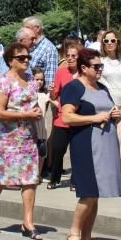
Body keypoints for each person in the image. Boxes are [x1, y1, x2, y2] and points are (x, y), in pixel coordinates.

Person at [61, 48, 121, 240]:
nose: (99, 70)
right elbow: (68, 117)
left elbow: (107, 111)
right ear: (83, 68)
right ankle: (74, 233)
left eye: (101, 66)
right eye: (96, 67)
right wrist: (95, 118)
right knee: (88, 192)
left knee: (96, 194)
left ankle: (87, 237)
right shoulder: (74, 88)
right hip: (85, 144)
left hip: (105, 144)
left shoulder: (102, 88)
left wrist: (115, 115)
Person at [0, 43, 44, 239]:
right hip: (8, 139)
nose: (26, 61)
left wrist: (37, 112)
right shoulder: (4, 82)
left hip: (29, 138)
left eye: (28, 58)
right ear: (10, 61)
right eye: (21, 58)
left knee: (30, 180)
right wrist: (26, 114)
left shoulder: (31, 80)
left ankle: (28, 222)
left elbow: (34, 104)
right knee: (1, 179)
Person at [46, 37, 82, 188]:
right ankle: (55, 178)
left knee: (77, 152)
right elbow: (54, 95)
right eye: (68, 56)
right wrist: (53, 92)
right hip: (62, 118)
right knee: (58, 149)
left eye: (74, 56)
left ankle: (76, 181)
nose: (70, 58)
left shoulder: (84, 73)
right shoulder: (61, 72)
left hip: (80, 119)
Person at [98, 30, 121, 162]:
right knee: (105, 137)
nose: (109, 43)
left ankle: (118, 170)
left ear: (117, 42)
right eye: (106, 41)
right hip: (105, 104)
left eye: (112, 40)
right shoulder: (100, 60)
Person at [24, 17, 58, 88]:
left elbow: (51, 78)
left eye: (27, 28)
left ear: (37, 28)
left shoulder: (49, 48)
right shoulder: (27, 46)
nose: (24, 31)